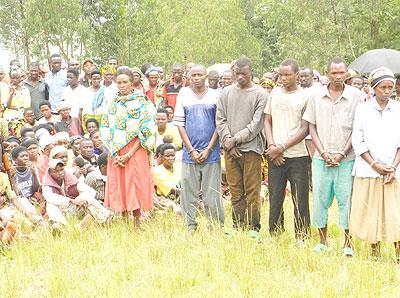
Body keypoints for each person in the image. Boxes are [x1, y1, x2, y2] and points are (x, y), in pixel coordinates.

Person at [303, 57, 364, 256]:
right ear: (327, 74)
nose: (338, 76)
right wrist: (323, 153)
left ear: (347, 74)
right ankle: (322, 241)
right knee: (320, 199)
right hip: (322, 159)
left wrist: (341, 153)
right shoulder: (316, 95)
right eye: (334, 73)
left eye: (341, 73)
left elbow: (358, 129)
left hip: (347, 160)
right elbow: (311, 125)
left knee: (347, 201)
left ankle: (348, 243)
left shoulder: (357, 96)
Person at [350, 67, 400, 260]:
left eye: (390, 87)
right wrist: (375, 165)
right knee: (371, 213)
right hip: (369, 170)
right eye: (383, 87)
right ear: (373, 88)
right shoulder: (363, 109)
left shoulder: (398, 109)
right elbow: (358, 141)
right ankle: (374, 253)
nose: (387, 91)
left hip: (393, 171)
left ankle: (397, 253)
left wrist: (393, 166)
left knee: (395, 212)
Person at [216, 57, 268, 236]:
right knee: (235, 190)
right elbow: (220, 119)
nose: (240, 77)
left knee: (252, 190)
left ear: (251, 72)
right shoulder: (226, 93)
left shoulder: (261, 94)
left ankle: (254, 227)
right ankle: (238, 226)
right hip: (230, 150)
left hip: (251, 149)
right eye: (236, 74)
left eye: (243, 74)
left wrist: (235, 140)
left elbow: (256, 124)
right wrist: (228, 142)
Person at [100, 67, 156, 223]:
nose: (122, 85)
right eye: (119, 82)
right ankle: (124, 221)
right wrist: (115, 152)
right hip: (116, 150)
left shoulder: (142, 102)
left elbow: (146, 130)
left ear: (132, 83)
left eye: (125, 82)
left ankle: (137, 221)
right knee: (120, 183)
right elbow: (106, 127)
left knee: (135, 183)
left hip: (135, 150)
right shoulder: (113, 103)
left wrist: (129, 154)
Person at [264, 59, 310, 242]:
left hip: (297, 155)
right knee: (275, 197)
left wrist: (281, 147)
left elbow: (305, 128)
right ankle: (275, 233)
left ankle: (302, 235)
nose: (282, 78)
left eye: (287, 75)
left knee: (300, 199)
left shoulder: (305, 96)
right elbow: (267, 120)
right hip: (275, 155)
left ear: (297, 75)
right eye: (280, 75)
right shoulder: (274, 93)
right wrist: (272, 146)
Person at [174, 64, 224, 232]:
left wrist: (209, 148)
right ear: (188, 77)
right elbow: (180, 125)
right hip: (190, 154)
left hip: (212, 153)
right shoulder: (183, 94)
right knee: (188, 193)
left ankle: (215, 227)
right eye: (193, 75)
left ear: (206, 76)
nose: (196, 78)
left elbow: (220, 124)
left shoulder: (216, 95)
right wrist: (192, 150)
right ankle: (190, 226)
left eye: (200, 75)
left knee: (212, 194)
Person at [42, 159, 112, 230]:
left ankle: (106, 218)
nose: (60, 173)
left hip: (73, 208)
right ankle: (60, 225)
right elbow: (50, 197)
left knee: (89, 199)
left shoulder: (69, 178)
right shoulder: (47, 184)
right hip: (60, 211)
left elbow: (89, 190)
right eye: (56, 171)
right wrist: (71, 200)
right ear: (50, 173)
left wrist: (82, 199)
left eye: (61, 170)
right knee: (50, 204)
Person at [11, 146, 45, 220]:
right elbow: (16, 194)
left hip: (33, 198)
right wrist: (12, 178)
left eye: (26, 155)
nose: (26, 158)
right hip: (21, 201)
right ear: (14, 159)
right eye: (22, 156)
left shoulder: (32, 168)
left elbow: (36, 188)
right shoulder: (12, 171)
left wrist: (34, 174)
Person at [152, 144, 182, 213]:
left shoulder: (179, 167)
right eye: (167, 156)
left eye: (173, 155)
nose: (171, 158)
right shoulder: (157, 171)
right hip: (166, 197)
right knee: (176, 210)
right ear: (161, 156)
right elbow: (172, 190)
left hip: (181, 195)